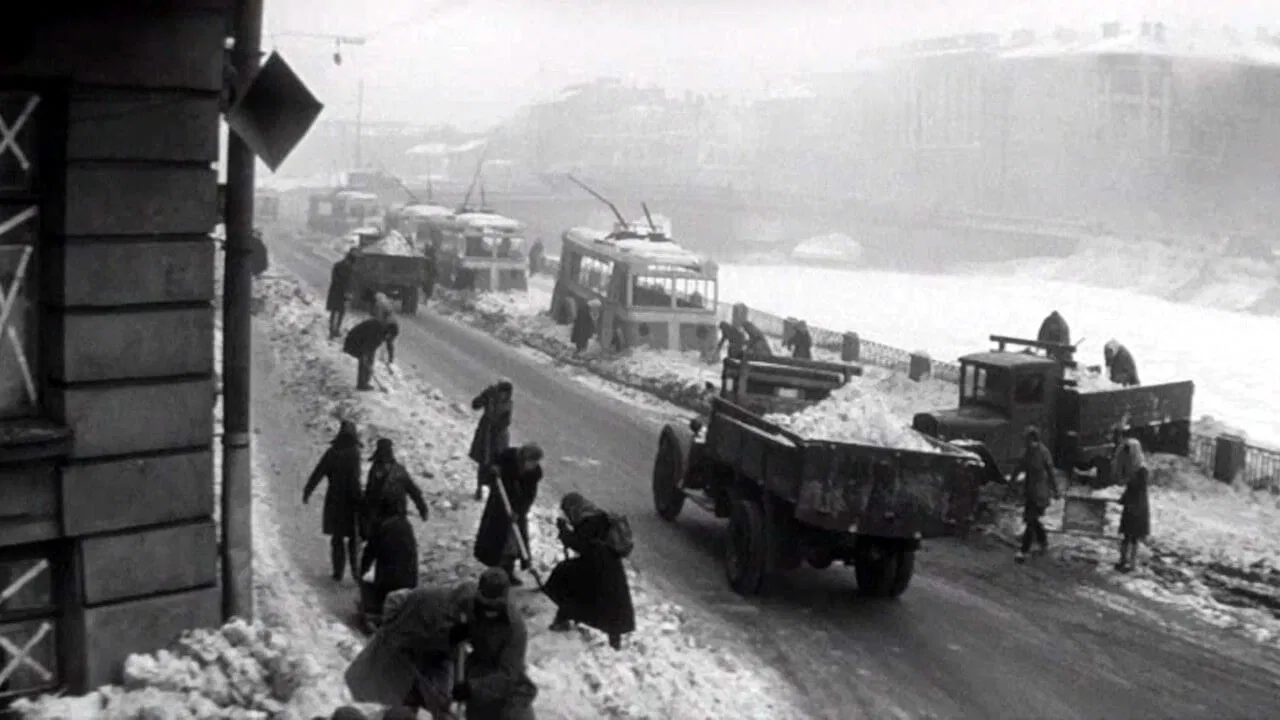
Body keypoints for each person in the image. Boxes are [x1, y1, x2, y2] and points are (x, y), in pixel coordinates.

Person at [345, 581, 476, 718]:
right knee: (370, 701)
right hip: (389, 661)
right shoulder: (431, 598)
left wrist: (445, 694)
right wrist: (391, 628)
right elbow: (394, 599)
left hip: (417, 669)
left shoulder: (459, 625)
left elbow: (447, 657)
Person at [544, 493, 636, 651]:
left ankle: (563, 619)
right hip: (608, 568)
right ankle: (614, 640)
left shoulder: (590, 522)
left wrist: (564, 532)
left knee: (567, 580)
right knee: (611, 604)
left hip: (596, 567)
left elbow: (580, 544)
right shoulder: (598, 517)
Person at [452, 568, 539, 720]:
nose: (488, 612)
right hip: (477, 667)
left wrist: (472, 688)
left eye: (495, 607)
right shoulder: (468, 601)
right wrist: (453, 630)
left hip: (507, 684)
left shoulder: (515, 629)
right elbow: (452, 599)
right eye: (484, 605)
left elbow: (508, 675)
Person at [302, 421, 364, 583]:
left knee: (337, 538)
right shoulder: (354, 453)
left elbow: (318, 472)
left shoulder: (332, 452)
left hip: (334, 499)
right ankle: (356, 572)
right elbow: (355, 479)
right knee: (354, 537)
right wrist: (361, 500)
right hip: (351, 500)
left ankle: (338, 572)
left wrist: (308, 490)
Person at [474, 444, 544, 586]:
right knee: (496, 540)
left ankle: (508, 571)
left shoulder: (534, 473)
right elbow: (490, 469)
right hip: (499, 504)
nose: (534, 465)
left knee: (513, 543)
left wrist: (519, 512)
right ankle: (495, 573)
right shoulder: (507, 457)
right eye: (532, 461)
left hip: (517, 509)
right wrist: (494, 470)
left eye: (536, 462)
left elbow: (529, 496)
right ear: (524, 458)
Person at [359, 491, 421, 616]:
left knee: (367, 580)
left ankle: (373, 611)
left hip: (388, 583)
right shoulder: (406, 525)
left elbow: (369, 553)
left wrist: (361, 572)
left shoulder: (381, 525)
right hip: (410, 581)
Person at [1013, 426, 1060, 563]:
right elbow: (1019, 468)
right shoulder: (1027, 453)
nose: (1026, 443)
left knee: (1031, 518)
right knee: (1032, 519)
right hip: (1030, 491)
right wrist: (1011, 483)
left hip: (1041, 491)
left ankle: (1024, 550)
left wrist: (1055, 490)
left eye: (1028, 439)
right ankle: (1043, 540)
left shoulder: (1043, 452)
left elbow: (1050, 472)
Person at [363, 438, 429, 533]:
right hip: (391, 516)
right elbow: (413, 491)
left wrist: (422, 509)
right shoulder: (398, 470)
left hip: (387, 517)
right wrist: (422, 509)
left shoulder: (378, 469)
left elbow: (369, 494)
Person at [1111, 428, 1150, 573]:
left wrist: (1124, 485)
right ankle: (1124, 560)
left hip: (1138, 506)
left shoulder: (1141, 470)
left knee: (1133, 537)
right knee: (1127, 536)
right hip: (1133, 505)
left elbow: (1135, 487)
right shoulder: (1137, 468)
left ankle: (1131, 562)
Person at [469, 380, 514, 501]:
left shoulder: (508, 403)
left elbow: (506, 422)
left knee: (496, 463)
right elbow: (475, 405)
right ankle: (479, 488)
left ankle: (492, 490)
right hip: (486, 434)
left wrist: (496, 423)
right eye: (501, 391)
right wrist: (483, 397)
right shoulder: (489, 396)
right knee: (483, 461)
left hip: (498, 437)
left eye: (505, 392)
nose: (502, 395)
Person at [343, 317, 393, 391]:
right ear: (388, 333)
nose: (389, 339)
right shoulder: (376, 332)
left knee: (369, 358)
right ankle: (362, 384)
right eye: (390, 336)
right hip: (353, 342)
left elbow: (389, 344)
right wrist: (366, 362)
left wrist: (390, 359)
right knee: (365, 359)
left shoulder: (383, 330)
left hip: (361, 341)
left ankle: (365, 382)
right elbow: (366, 349)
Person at [327, 250, 357, 339]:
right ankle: (333, 331)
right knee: (336, 312)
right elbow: (335, 279)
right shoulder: (341, 266)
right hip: (338, 292)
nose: (350, 264)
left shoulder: (343, 267)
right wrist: (346, 289)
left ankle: (335, 330)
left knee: (339, 312)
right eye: (351, 262)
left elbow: (349, 281)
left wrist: (349, 291)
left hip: (339, 292)